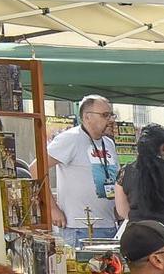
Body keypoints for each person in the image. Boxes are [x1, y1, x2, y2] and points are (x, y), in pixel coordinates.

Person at [47, 94, 119, 244]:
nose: (111, 120)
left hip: (110, 225)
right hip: (79, 228)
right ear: (87, 117)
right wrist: (52, 208)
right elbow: (35, 170)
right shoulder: (70, 139)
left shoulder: (109, 143)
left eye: (112, 115)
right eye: (105, 115)